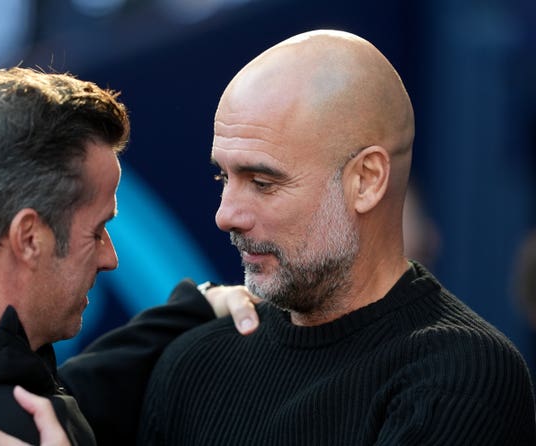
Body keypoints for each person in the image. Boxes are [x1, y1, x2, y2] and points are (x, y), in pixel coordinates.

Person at [136, 29, 536, 445]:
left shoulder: (458, 375)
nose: (225, 215)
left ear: (366, 180)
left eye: (261, 181)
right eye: (224, 176)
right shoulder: (192, 363)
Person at [0, 67, 259, 445]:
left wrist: (191, 308)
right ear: (29, 238)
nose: (110, 258)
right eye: (97, 231)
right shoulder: (11, 429)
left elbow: (70, 384)